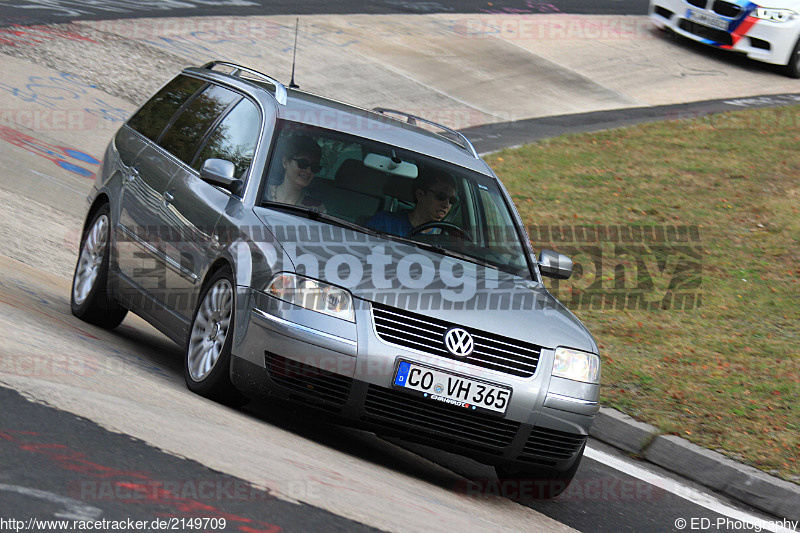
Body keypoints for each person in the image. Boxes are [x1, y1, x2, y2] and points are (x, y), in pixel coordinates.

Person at [367, 168, 458, 237]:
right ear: (420, 195)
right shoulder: (383, 222)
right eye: (441, 197)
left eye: (452, 200)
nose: (446, 205)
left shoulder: (445, 239)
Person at [265, 134, 326, 212]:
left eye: (314, 167)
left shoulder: (317, 208)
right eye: (303, 163)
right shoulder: (261, 194)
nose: (308, 171)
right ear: (285, 162)